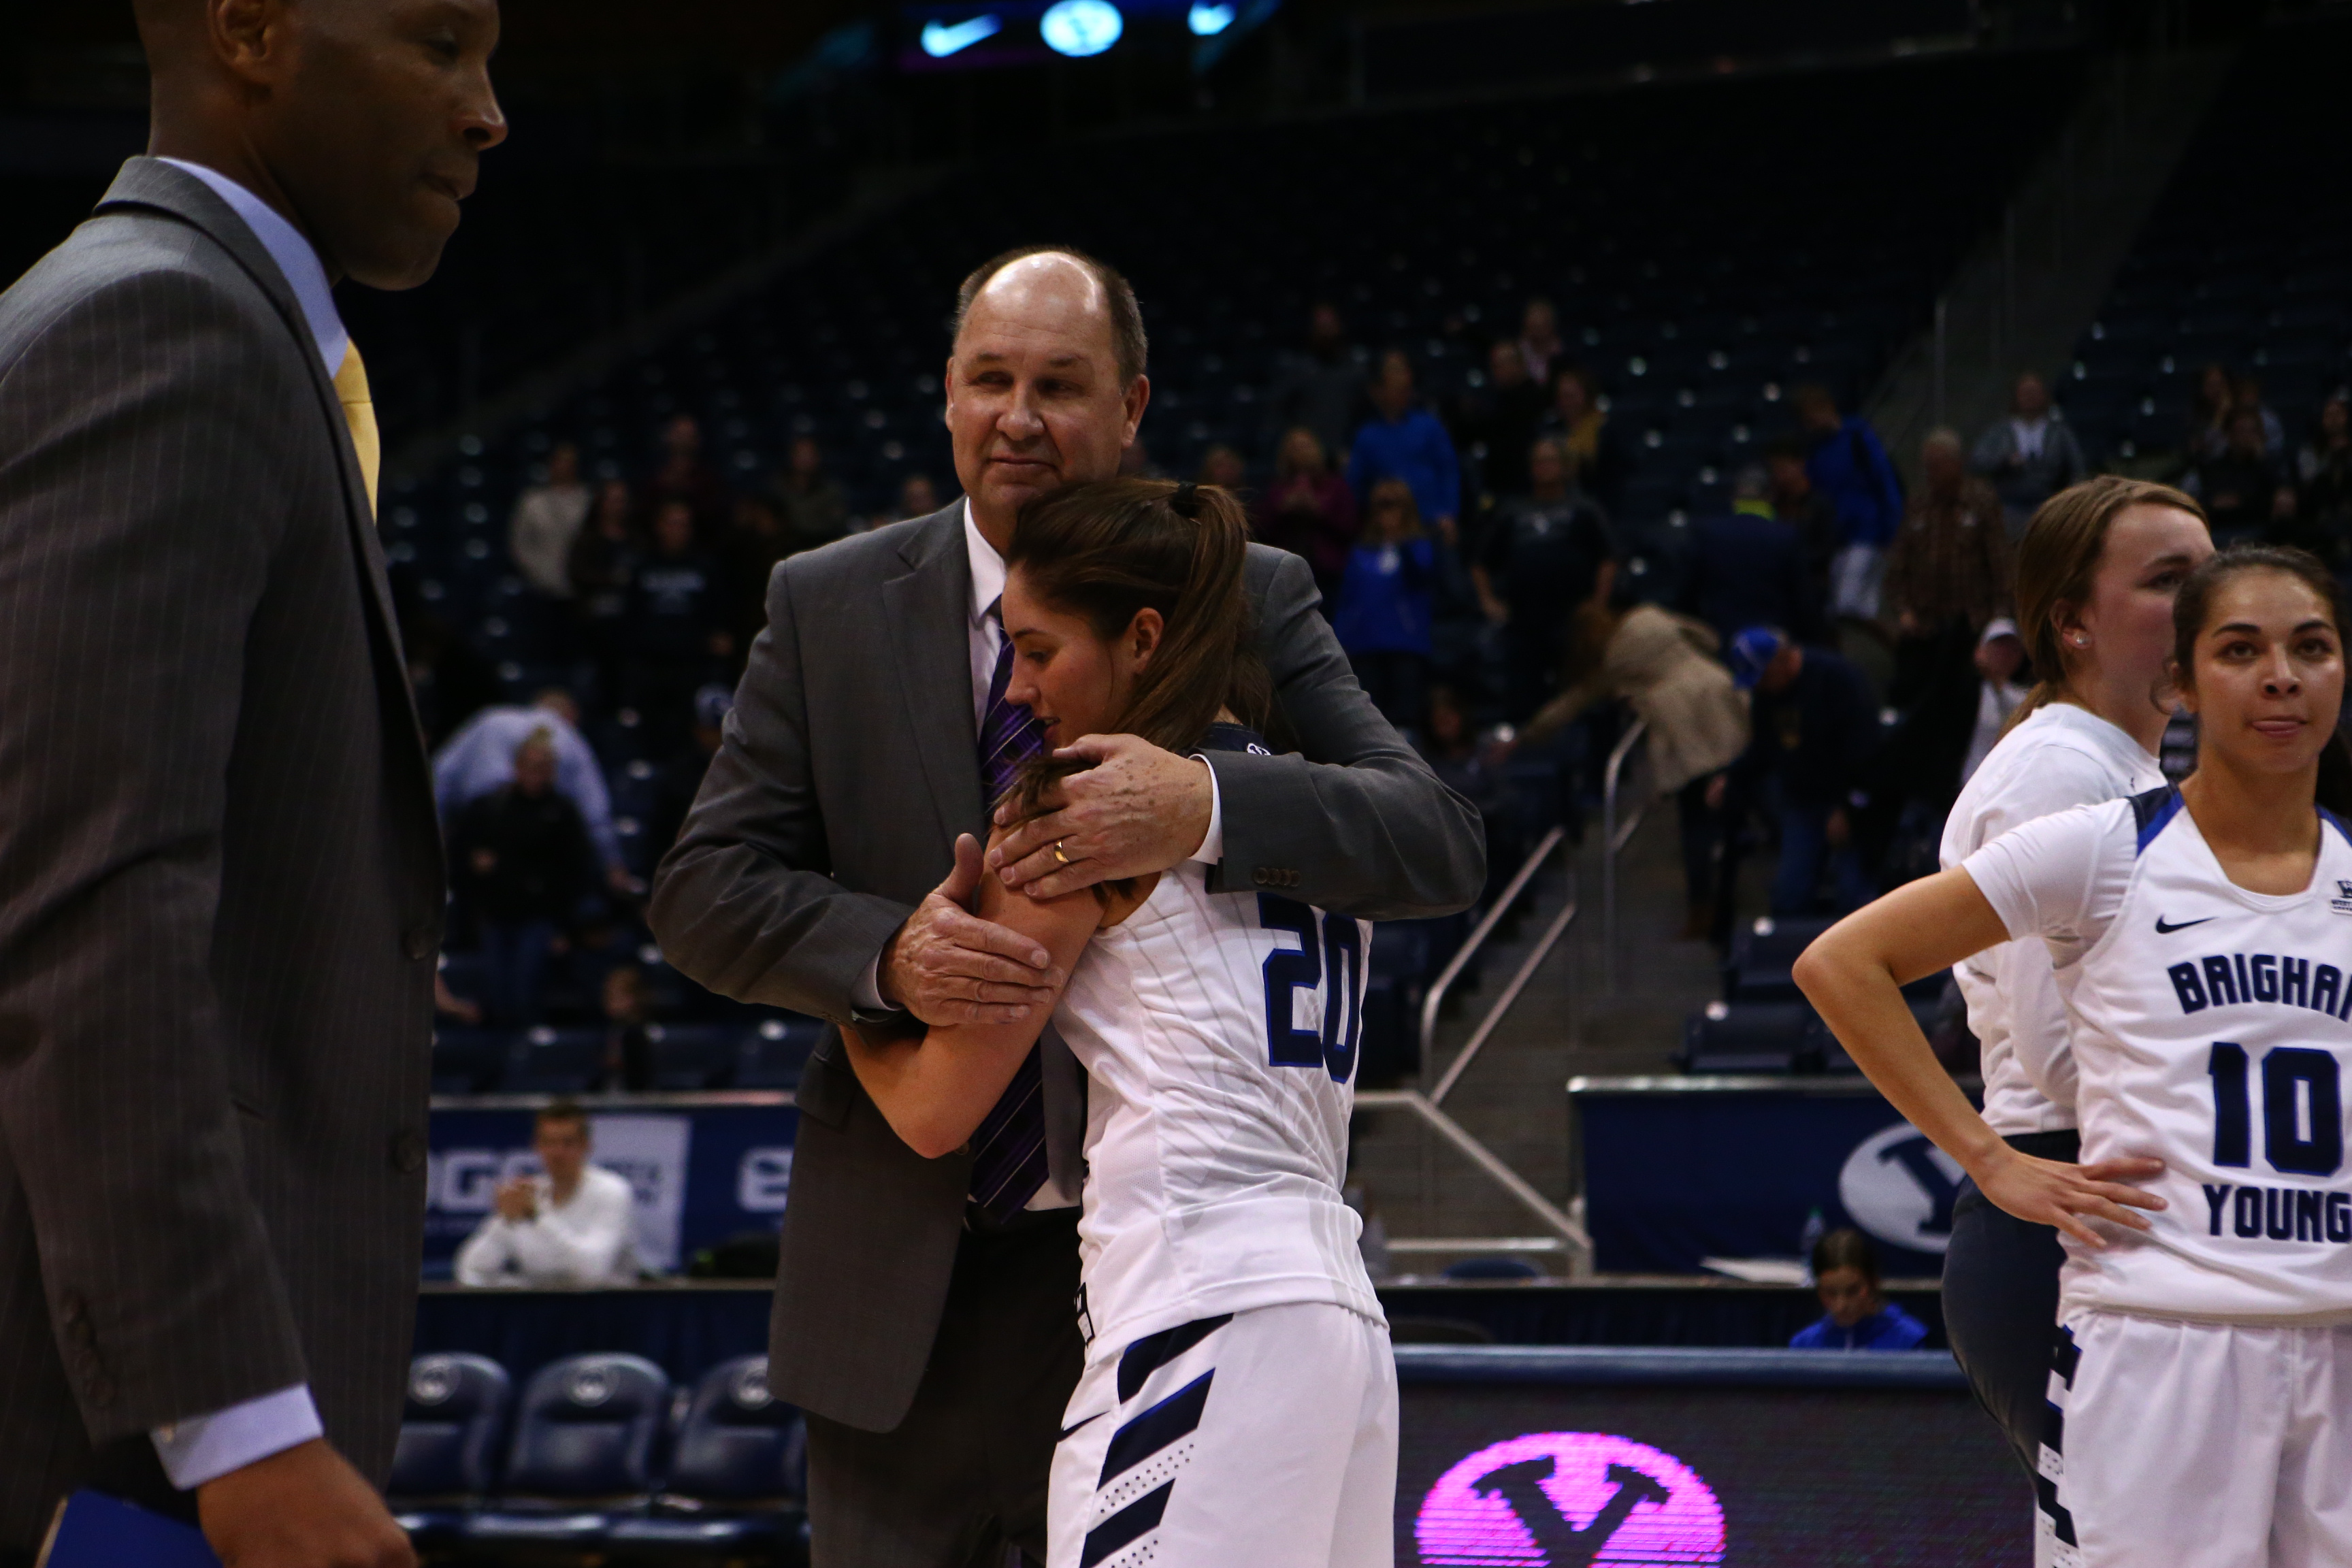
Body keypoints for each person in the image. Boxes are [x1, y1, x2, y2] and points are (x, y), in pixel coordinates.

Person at [647, 246, 1483, 1567]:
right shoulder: (825, 601)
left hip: (1154, 1285)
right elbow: (702, 889)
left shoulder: (1241, 600)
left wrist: (1199, 808)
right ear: (945, 395)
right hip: (950, 1296)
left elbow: (1437, 839)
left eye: (1059, 383)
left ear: (1132, 406)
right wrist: (890, 958)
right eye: (991, 380)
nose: (1019, 415)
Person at [0, 0, 502, 1555]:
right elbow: (90, 909)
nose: (487, 111)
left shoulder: (181, 319)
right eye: (438, 41)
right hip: (115, 1447)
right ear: (250, 28)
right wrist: (239, 1421)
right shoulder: (162, 322)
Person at [840, 477, 1395, 1568]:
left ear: (1141, 639)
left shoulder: (1080, 811)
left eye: (1042, 650)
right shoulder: (1306, 815)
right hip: (1339, 1317)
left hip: (1198, 1316)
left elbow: (933, 1109)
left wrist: (864, 988)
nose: (1016, 689)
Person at [1797, 544, 2352, 1565]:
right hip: (2158, 1331)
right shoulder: (2106, 844)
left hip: (2337, 1330)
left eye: (2310, 647)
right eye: (2242, 649)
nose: (2281, 674)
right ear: (2181, 681)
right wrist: (1991, 1156)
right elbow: (1844, 962)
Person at [1927, 475, 2212, 1486]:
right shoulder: (2058, 773)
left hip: (2114, 1207)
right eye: (2169, 580)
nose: (2208, 600)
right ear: (2074, 625)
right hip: (2066, 1206)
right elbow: (2060, 1055)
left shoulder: (2128, 770)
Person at [1523, 601, 1748, 939]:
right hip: (1717, 691)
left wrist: (1529, 735)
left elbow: (1574, 701)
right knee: (1741, 786)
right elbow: (1709, 637)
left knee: (1696, 821)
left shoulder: (1613, 660)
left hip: (1683, 724)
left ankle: (1705, 909)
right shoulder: (1650, 616)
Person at [1883, 429, 2015, 809]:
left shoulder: (1981, 502)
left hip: (1968, 633)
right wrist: (1904, 610)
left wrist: (1994, 622)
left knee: (1961, 715)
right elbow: (1897, 569)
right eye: (1927, 468)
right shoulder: (1919, 506)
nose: (1932, 475)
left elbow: (2000, 566)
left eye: (1938, 467)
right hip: (1924, 632)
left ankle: (1955, 790)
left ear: (1957, 465)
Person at [1720, 627, 1880, 917]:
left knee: (1855, 899)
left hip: (1848, 798)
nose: (1761, 688)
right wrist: (1730, 778)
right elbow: (1764, 747)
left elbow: (1865, 750)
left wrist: (1847, 808)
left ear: (1782, 659)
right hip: (1802, 800)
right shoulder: (1768, 694)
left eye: (1763, 677)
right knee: (1789, 895)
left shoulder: (1837, 679)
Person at [448, 730, 595, 1027]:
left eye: (544, 767)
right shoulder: (490, 807)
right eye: (531, 766)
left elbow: (577, 870)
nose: (537, 774)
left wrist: (564, 927)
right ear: (516, 767)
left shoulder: (563, 813)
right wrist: (475, 865)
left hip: (539, 918)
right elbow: (459, 854)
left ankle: (527, 1059)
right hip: (495, 915)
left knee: (526, 994)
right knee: (498, 996)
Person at [1473, 436, 1617, 722]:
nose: (1544, 467)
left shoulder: (1583, 508)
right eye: (1538, 461)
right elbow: (1480, 562)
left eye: (1550, 460)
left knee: (1574, 691)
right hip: (1524, 617)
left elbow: (1608, 558)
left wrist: (1599, 604)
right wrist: (1488, 601)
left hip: (1572, 616)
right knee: (1524, 694)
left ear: (1565, 466)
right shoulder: (1512, 511)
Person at [433, 689, 630, 891]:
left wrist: (435, 838)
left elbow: (442, 773)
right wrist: (613, 866)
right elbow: (595, 812)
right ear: (571, 714)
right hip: (532, 846)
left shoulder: (491, 718)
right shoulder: (567, 732)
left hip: (478, 833)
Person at [453, 1102, 640, 1288]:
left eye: (567, 1143)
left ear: (586, 1145)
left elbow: (591, 1273)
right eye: (549, 1143)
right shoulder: (527, 1195)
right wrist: (505, 1220)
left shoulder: (612, 1192)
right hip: (539, 1312)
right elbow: (469, 1270)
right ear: (537, 1146)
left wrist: (537, 1217)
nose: (557, 1153)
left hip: (605, 1311)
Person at [625, 497, 734, 754]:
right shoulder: (643, 567)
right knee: (652, 741)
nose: (678, 530)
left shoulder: (706, 567)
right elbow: (631, 618)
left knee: (689, 743)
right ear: (659, 526)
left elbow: (720, 614)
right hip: (651, 667)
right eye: (672, 523)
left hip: (692, 668)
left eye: (683, 524)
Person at [1332, 478, 1438, 734]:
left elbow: (1422, 576)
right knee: (1371, 716)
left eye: (1394, 505)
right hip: (1366, 645)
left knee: (1405, 715)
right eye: (1381, 506)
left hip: (1406, 644)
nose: (1387, 513)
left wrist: (1401, 541)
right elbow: (1349, 599)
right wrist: (1340, 640)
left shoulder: (1420, 546)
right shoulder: (1361, 551)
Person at [1793, 384, 1904, 621]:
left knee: (1849, 603)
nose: (1811, 426)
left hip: (1867, 531)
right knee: (1841, 609)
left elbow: (1885, 481)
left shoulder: (1858, 437)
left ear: (1828, 408)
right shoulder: (1816, 450)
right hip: (1837, 538)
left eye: (1814, 418)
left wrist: (1892, 528)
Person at [1681, 466, 1820, 647]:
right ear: (1771, 496)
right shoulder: (1787, 536)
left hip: (1723, 641)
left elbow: (1688, 594)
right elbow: (1803, 599)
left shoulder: (1708, 534)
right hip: (1773, 645)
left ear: (1735, 496)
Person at [1348, 350, 1460, 541]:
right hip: (1388, 531)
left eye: (1404, 372)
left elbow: (1448, 471)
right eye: (1394, 373)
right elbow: (1355, 487)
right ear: (1377, 390)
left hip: (1432, 524)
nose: (1403, 379)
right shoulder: (1366, 436)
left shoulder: (1429, 426)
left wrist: (1449, 513)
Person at [1252, 425, 1358, 603]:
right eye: (1295, 447)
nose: (1301, 452)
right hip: (1286, 573)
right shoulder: (1277, 488)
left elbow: (1350, 527)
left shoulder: (1335, 486)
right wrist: (1283, 509)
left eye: (1306, 446)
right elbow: (1260, 531)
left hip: (1329, 572)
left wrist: (1318, 511)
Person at [1971, 372, 2087, 532]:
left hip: (2050, 505)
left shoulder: (2059, 432)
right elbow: (1978, 461)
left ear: (2044, 396)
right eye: (2025, 393)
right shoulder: (2000, 432)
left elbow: (2078, 468)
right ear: (2016, 396)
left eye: (2034, 393)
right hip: (2010, 506)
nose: (2029, 397)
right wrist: (2004, 462)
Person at [1788, 1229, 1929, 1351]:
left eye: (1852, 1291)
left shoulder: (1909, 1340)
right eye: (1830, 1293)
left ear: (1873, 1283)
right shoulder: (1803, 1345)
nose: (1841, 1305)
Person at [1261, 300, 1365, 462]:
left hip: (1345, 457)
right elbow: (1278, 413)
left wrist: (1355, 451)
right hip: (1306, 458)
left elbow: (1363, 418)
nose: (1326, 331)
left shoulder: (1354, 372)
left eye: (1329, 325)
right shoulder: (1298, 371)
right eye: (1321, 325)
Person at [1453, 339, 1546, 501]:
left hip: (1527, 485)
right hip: (1500, 486)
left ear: (1520, 364)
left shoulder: (1533, 397)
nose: (1498, 370)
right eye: (1495, 365)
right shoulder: (1496, 399)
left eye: (1504, 363)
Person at [2187, 405, 2293, 544]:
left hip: (2259, 529)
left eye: (2252, 431)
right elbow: (2211, 501)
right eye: (2241, 431)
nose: (2247, 437)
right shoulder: (2215, 467)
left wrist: (2241, 501)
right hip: (2221, 528)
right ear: (2230, 434)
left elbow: (2274, 503)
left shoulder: (2271, 466)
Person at [1543, 363, 1631, 517]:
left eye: (1571, 396)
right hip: (1555, 507)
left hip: (1595, 507)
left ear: (1586, 395)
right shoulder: (1551, 432)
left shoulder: (1604, 432)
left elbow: (1613, 479)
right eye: (1562, 396)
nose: (1567, 402)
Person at [509, 440, 591, 600]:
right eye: (560, 461)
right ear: (551, 464)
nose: (565, 467)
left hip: (585, 588)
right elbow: (519, 544)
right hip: (542, 589)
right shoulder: (532, 502)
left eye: (570, 462)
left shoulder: (589, 499)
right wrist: (540, 575)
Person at [1957, 619, 2030, 787]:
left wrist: (1997, 681)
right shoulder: (1967, 690)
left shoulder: (2023, 698)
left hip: (1998, 787)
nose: (2004, 653)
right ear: (1980, 651)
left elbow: (2013, 709)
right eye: (1998, 646)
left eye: (2012, 648)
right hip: (1960, 786)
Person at [2291, 393, 2352, 560]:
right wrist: (2331, 457)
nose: (2334, 420)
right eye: (2329, 415)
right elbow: (2308, 483)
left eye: (2338, 414)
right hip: (2319, 510)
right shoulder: (2309, 450)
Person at [772, 434, 852, 551]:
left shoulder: (830, 491)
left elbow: (836, 524)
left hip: (820, 550)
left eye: (809, 454)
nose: (805, 459)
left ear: (817, 457)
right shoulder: (778, 487)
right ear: (792, 457)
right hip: (786, 550)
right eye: (801, 454)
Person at [1516, 295, 1565, 389]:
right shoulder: (1517, 351)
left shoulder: (1561, 351)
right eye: (1534, 326)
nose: (1538, 332)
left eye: (1542, 326)